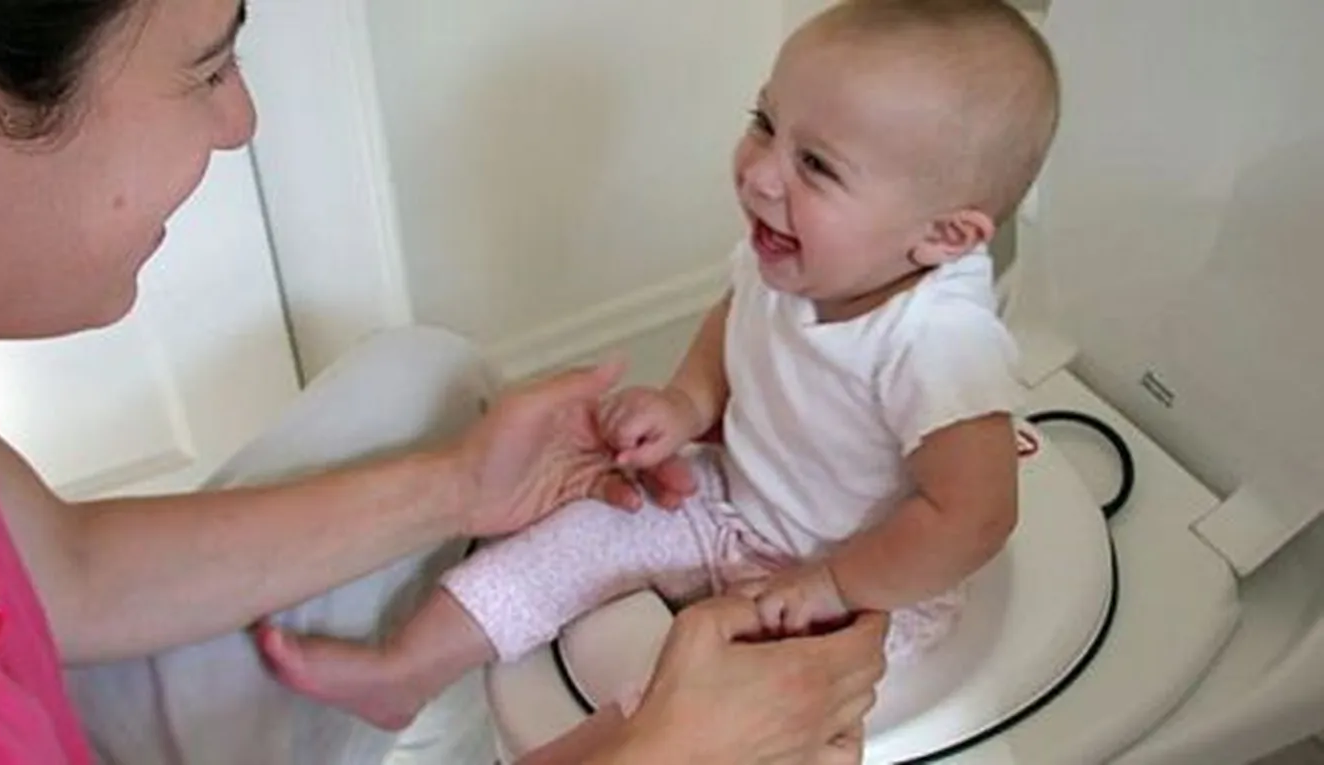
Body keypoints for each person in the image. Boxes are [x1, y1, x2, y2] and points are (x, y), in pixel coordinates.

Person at [0, 0, 891, 763]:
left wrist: (460, 485)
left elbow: (63, 572)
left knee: (425, 379)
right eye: (207, 70)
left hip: (50, 694)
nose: (241, 121)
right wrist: (664, 750)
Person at [258, 0, 1059, 752]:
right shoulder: (791, 254)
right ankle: (405, 671)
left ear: (944, 236)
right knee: (565, 540)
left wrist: (834, 585)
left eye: (815, 164)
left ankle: (632, 741)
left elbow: (973, 517)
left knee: (694, 695)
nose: (761, 173)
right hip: (733, 499)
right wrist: (687, 400)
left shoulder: (940, 344)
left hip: (863, 583)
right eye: (764, 123)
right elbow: (734, 319)